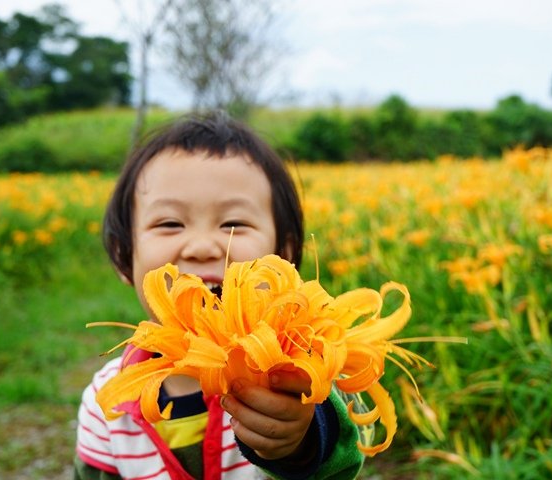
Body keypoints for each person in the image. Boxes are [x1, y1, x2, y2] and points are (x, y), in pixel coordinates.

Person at [74, 111, 364, 480]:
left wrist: (299, 441)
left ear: (285, 255)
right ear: (123, 254)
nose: (202, 247)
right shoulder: (107, 401)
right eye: (169, 223)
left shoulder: (304, 370)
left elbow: (342, 457)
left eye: (233, 224)